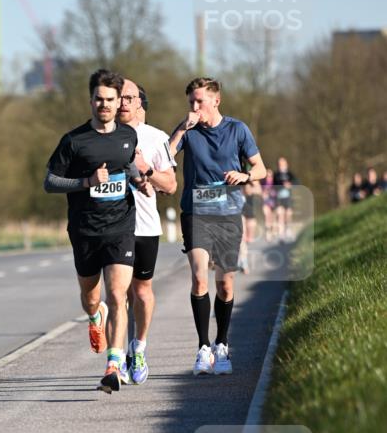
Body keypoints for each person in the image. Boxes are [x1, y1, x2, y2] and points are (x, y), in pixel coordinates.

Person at [44, 69, 148, 393]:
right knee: (92, 298)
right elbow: (50, 182)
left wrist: (141, 179)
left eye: (110, 100)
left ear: (120, 102)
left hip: (120, 226)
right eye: (98, 99)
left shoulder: (128, 136)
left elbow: (130, 165)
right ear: (91, 100)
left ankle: (113, 365)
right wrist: (86, 182)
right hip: (85, 229)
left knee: (119, 294)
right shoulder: (74, 141)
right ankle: (94, 316)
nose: (104, 105)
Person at [168, 77, 266, 376]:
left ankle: (222, 344)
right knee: (199, 278)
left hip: (227, 215)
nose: (195, 107)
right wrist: (182, 129)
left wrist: (244, 175)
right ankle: (203, 347)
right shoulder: (187, 130)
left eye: (199, 101)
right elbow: (165, 157)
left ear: (216, 101)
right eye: (191, 102)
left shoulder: (238, 129)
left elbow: (261, 168)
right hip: (196, 212)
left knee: (225, 284)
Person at [117, 80, 177, 383]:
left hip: (145, 226)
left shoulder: (157, 138)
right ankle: (119, 356)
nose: (123, 102)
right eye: (119, 97)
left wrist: (147, 171)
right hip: (113, 227)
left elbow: (170, 185)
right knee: (119, 294)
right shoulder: (104, 135)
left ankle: (138, 347)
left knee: (140, 292)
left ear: (140, 101)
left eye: (129, 97)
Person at [273, 156, 297, 240]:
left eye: (282, 163)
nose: (281, 165)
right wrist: (280, 186)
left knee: (288, 214)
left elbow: (296, 183)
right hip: (279, 198)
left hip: (288, 198)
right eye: (279, 164)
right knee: (280, 215)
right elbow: (273, 186)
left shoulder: (290, 174)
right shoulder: (276, 174)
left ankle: (288, 229)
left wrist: (290, 185)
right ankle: (281, 234)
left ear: (286, 164)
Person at [261, 168, 276, 240]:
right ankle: (268, 233)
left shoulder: (275, 183)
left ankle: (272, 230)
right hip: (266, 202)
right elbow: (260, 192)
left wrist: (272, 193)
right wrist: (263, 193)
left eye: (270, 176)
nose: (269, 177)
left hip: (274, 203)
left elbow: (277, 193)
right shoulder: (263, 183)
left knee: (271, 218)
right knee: (267, 215)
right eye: (267, 176)